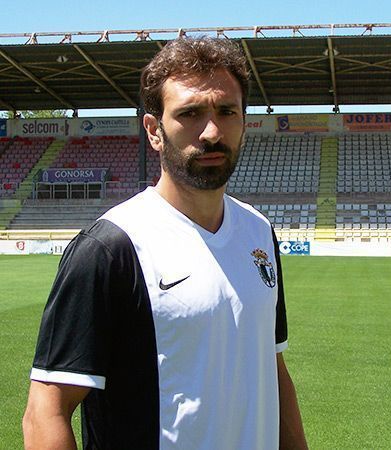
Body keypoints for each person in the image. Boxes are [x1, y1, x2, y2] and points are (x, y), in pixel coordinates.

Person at [22, 37, 308, 450]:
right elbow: (45, 410)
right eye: (190, 113)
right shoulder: (111, 248)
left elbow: (273, 370)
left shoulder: (258, 232)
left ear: (244, 121)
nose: (212, 131)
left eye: (226, 112)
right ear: (154, 131)